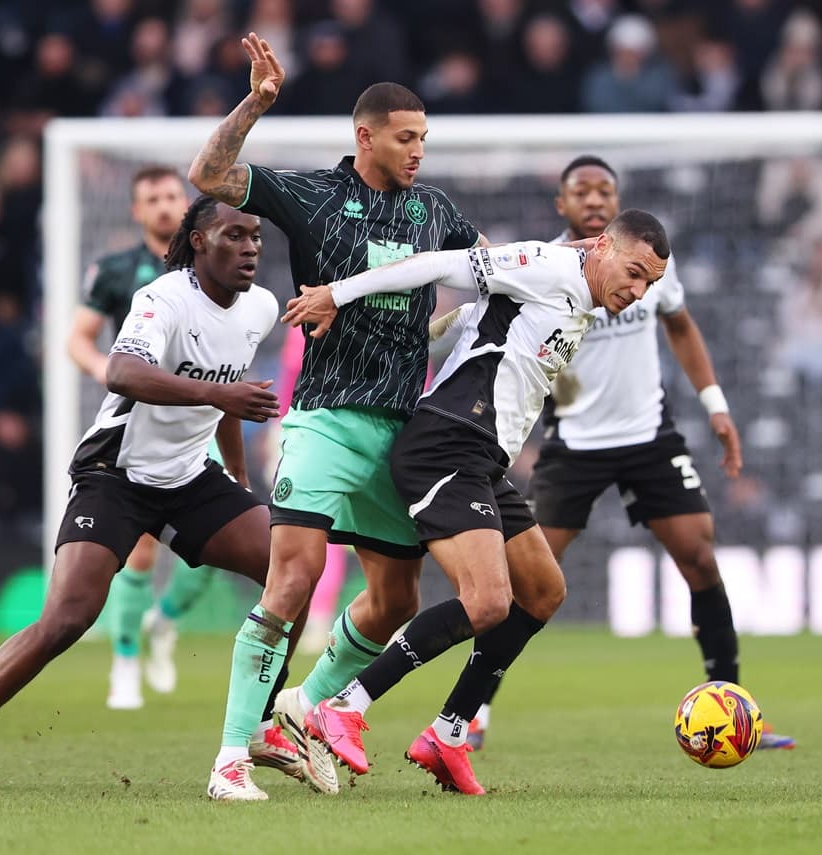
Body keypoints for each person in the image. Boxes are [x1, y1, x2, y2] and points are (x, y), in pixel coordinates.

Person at [0, 197, 308, 794]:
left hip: (189, 476)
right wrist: (220, 400)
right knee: (67, 618)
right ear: (199, 242)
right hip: (114, 473)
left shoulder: (260, 307)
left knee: (292, 576)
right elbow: (122, 373)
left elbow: (226, 389)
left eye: (256, 236)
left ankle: (256, 721)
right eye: (235, 235)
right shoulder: (162, 299)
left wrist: (239, 482)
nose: (251, 247)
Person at [281, 209, 671, 795]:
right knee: (487, 602)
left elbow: (479, 319)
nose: (638, 291)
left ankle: (449, 732)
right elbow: (440, 266)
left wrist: (434, 333)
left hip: (483, 459)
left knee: (544, 591)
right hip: (446, 445)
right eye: (635, 272)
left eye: (650, 285)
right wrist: (338, 294)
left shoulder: (583, 302)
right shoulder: (548, 264)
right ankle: (342, 706)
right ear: (602, 246)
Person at [188, 33, 483, 800]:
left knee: (396, 600)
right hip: (324, 418)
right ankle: (228, 757)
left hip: (401, 432)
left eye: (425, 137)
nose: (419, 150)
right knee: (294, 579)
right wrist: (255, 103)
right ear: (367, 135)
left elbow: (493, 274)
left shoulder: (435, 209)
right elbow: (209, 174)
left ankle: (306, 705)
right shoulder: (315, 195)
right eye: (406, 137)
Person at [467, 156, 794, 752]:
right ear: (562, 205)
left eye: (605, 189)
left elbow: (682, 326)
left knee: (699, 555)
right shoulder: (546, 267)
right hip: (575, 446)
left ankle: (736, 706)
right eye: (580, 191)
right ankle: (472, 713)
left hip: (650, 438)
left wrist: (716, 404)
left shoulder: (650, 263)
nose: (594, 198)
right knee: (528, 584)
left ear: (617, 202)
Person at [66, 165, 218, 710]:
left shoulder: (213, 264)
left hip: (203, 419)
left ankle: (166, 621)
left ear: (188, 204)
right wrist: (108, 372)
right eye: (151, 198)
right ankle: (125, 660)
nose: (163, 205)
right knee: (143, 550)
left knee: (215, 548)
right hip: (142, 421)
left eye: (172, 195)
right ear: (136, 211)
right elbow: (79, 338)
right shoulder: (115, 270)